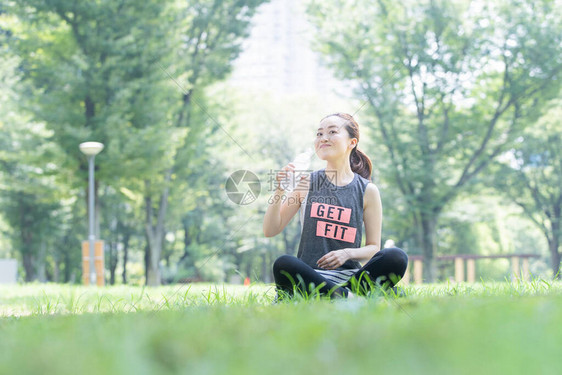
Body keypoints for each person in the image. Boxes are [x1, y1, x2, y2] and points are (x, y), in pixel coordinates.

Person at [263, 113, 408, 299]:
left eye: (332, 132)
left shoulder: (367, 190)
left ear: (352, 142)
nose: (323, 138)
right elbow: (270, 229)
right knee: (284, 264)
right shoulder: (306, 183)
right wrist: (279, 190)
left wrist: (347, 253)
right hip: (310, 277)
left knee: (396, 257)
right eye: (319, 134)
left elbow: (373, 248)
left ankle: (339, 295)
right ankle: (350, 298)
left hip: (351, 279)